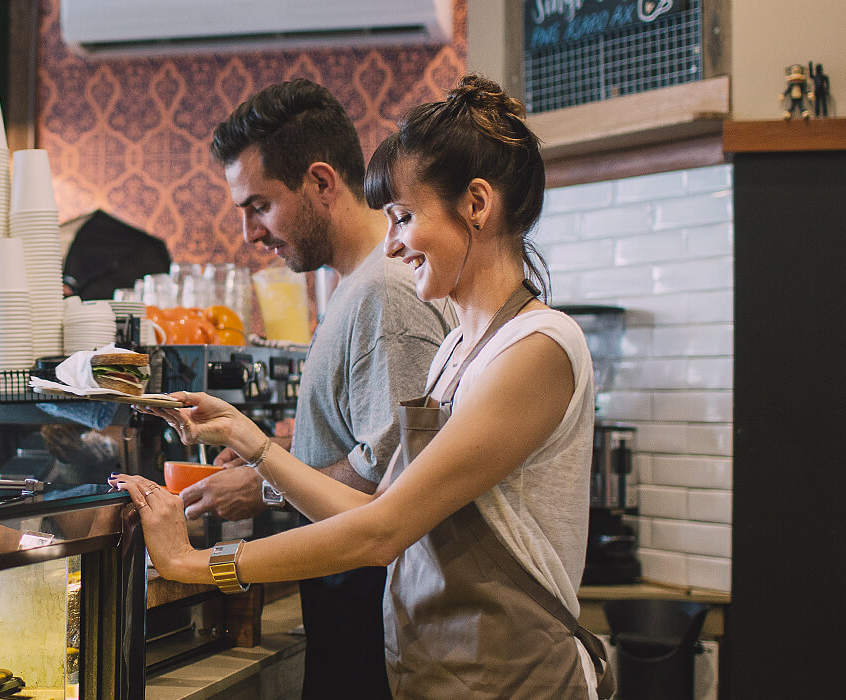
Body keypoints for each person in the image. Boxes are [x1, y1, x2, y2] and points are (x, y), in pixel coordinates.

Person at [113, 74, 607, 698]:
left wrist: (197, 565)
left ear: (477, 206)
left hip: (514, 682)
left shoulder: (537, 349)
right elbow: (377, 509)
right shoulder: (459, 349)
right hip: (441, 676)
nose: (393, 243)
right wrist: (257, 445)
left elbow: (382, 533)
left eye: (403, 217)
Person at [186, 78, 455, 699]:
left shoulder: (384, 292)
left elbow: (391, 480)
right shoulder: (351, 288)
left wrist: (266, 477)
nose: (251, 234)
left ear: (321, 183)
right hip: (351, 616)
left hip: (378, 631)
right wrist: (286, 450)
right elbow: (368, 436)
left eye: (259, 205)